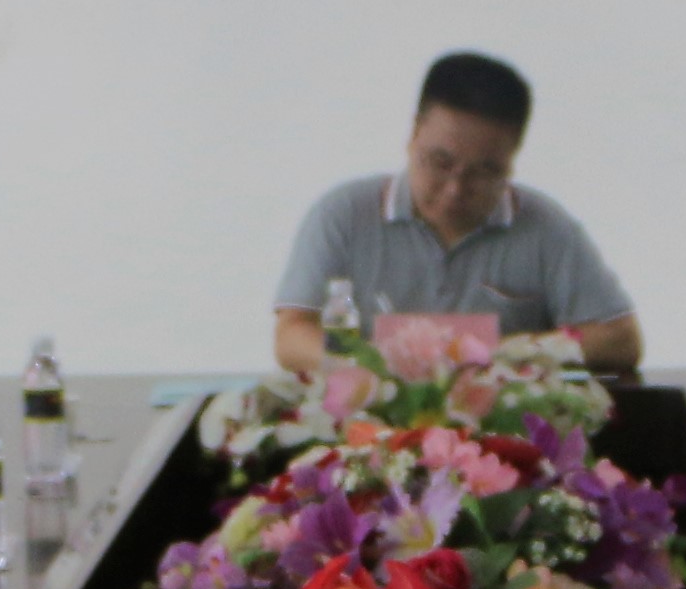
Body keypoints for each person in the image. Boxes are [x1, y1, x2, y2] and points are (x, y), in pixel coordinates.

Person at [268, 50, 641, 376]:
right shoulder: (344, 215)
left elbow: (620, 339)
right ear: (414, 133)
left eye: (485, 171)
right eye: (440, 162)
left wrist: (507, 354)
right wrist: (371, 369)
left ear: (513, 158)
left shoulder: (545, 228)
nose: (455, 189)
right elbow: (292, 334)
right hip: (369, 421)